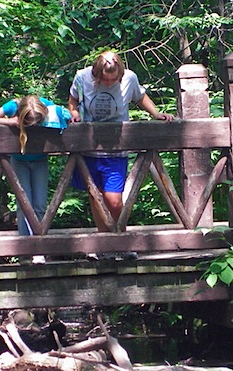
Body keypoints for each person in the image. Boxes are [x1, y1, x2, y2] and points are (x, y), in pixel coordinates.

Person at [67, 51, 174, 261]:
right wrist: (74, 114)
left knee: (114, 200)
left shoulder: (130, 78)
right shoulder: (82, 77)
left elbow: (140, 96)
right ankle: (103, 244)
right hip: (89, 146)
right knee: (95, 196)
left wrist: (156, 114)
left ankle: (120, 241)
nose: (109, 84)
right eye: (104, 80)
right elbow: (73, 99)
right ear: (96, 74)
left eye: (113, 80)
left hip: (116, 147)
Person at [0, 95, 70, 264]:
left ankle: (39, 248)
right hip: (19, 160)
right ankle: (25, 249)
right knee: (24, 203)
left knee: (39, 204)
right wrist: (10, 122)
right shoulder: (13, 106)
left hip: (40, 160)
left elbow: (66, 115)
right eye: (29, 123)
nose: (34, 126)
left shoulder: (48, 106)